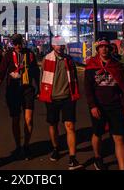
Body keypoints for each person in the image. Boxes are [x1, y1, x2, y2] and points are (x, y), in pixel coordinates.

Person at [84, 37, 124, 170]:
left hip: (116, 106)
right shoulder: (91, 65)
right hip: (98, 106)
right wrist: (92, 106)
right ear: (98, 49)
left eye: (106, 47)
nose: (104, 49)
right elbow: (88, 89)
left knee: (119, 138)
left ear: (110, 49)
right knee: (97, 134)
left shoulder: (116, 65)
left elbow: (123, 88)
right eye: (101, 47)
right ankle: (98, 157)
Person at [39, 35, 83, 170]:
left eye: (62, 44)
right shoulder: (47, 59)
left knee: (70, 126)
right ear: (53, 46)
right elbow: (42, 77)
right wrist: (43, 93)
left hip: (67, 98)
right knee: (53, 125)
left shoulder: (69, 60)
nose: (60, 46)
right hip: (51, 98)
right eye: (57, 44)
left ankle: (72, 158)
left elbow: (74, 77)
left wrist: (74, 93)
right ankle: (56, 148)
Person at [0, 34, 40, 160]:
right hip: (13, 90)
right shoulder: (8, 55)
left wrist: (39, 87)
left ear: (22, 42)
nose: (17, 46)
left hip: (27, 90)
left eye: (19, 43)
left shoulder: (29, 54)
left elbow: (36, 71)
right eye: (15, 43)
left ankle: (26, 146)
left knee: (28, 120)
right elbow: (3, 70)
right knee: (15, 120)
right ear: (12, 44)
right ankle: (18, 146)